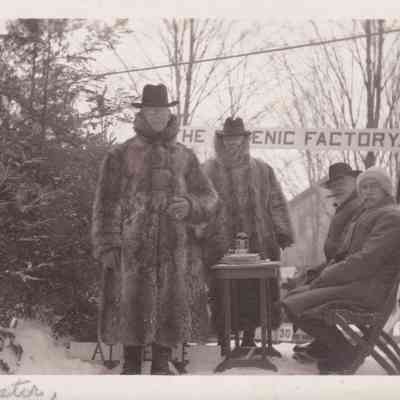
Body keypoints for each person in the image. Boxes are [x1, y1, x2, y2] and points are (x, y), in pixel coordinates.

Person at [91, 84, 218, 375]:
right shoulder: (120, 154)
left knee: (169, 307)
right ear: (142, 114)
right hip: (131, 249)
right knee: (130, 305)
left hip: (175, 250)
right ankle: (131, 364)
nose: (158, 116)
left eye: (162, 111)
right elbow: (105, 202)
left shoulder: (185, 156)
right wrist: (108, 244)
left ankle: (162, 363)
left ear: (169, 113)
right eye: (151, 111)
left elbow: (209, 197)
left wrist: (190, 205)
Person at [281, 166, 400, 374]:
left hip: (369, 290)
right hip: (357, 284)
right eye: (364, 188)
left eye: (374, 187)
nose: (368, 192)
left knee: (294, 305)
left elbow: (366, 260)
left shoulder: (391, 217)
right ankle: (335, 349)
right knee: (295, 298)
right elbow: (343, 254)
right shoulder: (368, 213)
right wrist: (320, 274)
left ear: (386, 189)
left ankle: (344, 353)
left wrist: (327, 276)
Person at [201, 117, 294, 349]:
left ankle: (249, 340)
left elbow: (276, 201)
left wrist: (282, 230)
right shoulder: (208, 170)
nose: (233, 142)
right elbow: (201, 203)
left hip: (257, 240)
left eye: (237, 138)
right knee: (223, 291)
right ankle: (224, 341)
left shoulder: (262, 169)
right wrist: (199, 231)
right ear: (222, 141)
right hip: (220, 241)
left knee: (255, 290)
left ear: (244, 140)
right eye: (228, 138)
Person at [291, 162, 362, 360]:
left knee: (295, 302)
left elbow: (347, 253)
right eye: (333, 185)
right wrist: (313, 272)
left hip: (347, 278)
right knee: (298, 288)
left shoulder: (357, 207)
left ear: (355, 181)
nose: (337, 187)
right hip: (338, 271)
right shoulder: (344, 206)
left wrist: (320, 274)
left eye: (342, 182)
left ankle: (342, 350)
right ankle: (324, 343)